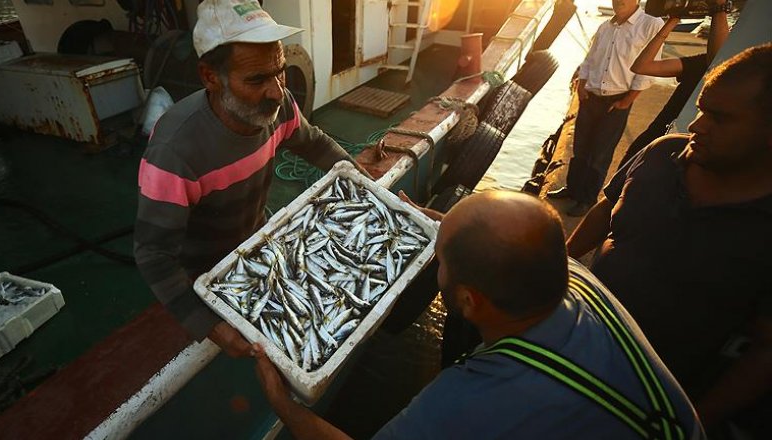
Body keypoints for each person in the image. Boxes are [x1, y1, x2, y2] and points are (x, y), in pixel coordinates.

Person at [254, 191, 704, 439]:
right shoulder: (572, 276)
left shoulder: (472, 399)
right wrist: (435, 220)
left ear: (468, 301)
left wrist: (283, 403)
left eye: (440, 260)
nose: (436, 262)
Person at [134, 0, 362, 357]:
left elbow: (314, 143)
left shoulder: (278, 105)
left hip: (259, 243)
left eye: (280, 72)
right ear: (210, 77)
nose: (277, 91)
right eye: (256, 79)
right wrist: (211, 327)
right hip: (206, 276)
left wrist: (365, 186)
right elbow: (153, 254)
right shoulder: (174, 152)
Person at [566, 44, 772, 437]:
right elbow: (606, 211)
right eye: (701, 109)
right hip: (570, 351)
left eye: (720, 118)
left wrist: (692, 423)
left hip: (644, 407)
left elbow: (766, 349)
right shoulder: (662, 154)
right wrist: (557, 263)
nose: (697, 126)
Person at [547, 0, 663, 216]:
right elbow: (590, 58)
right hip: (591, 96)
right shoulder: (605, 26)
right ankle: (573, 189)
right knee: (580, 147)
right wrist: (582, 85)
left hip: (617, 100)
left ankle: (586, 199)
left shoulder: (650, 25)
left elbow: (648, 69)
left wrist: (627, 101)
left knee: (600, 153)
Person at [616, 0, 731, 169]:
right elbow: (641, 66)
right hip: (652, 139)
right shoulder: (699, 63)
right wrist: (672, 20)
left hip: (680, 153)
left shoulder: (733, 76)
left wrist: (719, 9)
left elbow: (719, 65)